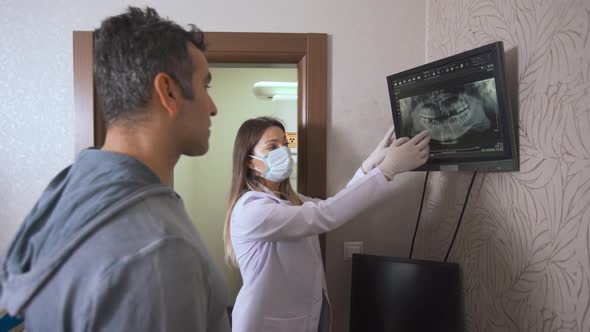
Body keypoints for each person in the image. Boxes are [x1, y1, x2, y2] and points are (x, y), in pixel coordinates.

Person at [0, 7, 230, 331]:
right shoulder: (158, 251)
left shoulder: (70, 188)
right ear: (169, 92)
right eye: (205, 85)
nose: (213, 106)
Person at [224, 117, 430, 332]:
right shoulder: (251, 209)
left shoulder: (289, 201)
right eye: (272, 146)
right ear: (249, 161)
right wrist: (387, 170)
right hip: (265, 323)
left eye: (285, 144)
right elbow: (326, 215)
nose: (283, 151)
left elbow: (334, 204)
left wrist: (370, 165)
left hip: (296, 317)